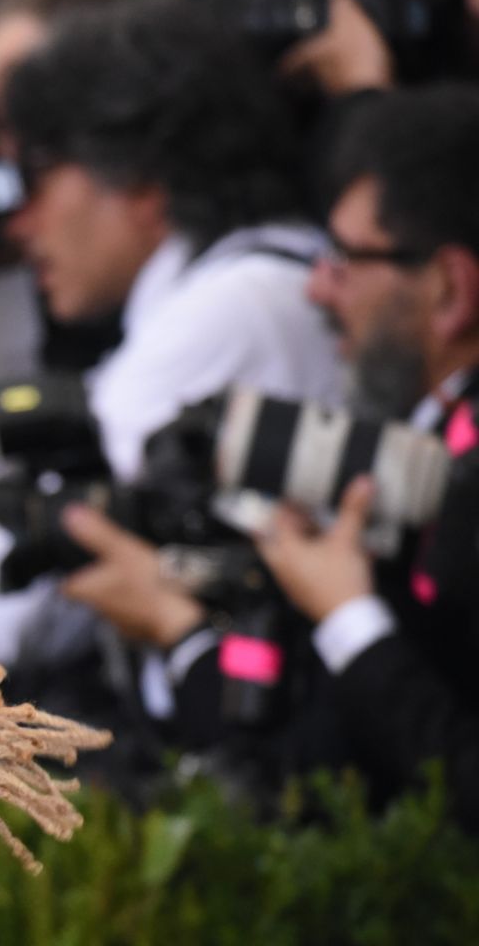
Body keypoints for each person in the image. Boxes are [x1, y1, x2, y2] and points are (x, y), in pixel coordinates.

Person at [0, 0, 344, 718]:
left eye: (37, 173)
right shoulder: (258, 282)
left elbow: (17, 609)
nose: (20, 218)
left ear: (141, 183)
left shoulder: (231, 315)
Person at [68, 86, 479, 827]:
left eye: (348, 260)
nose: (318, 289)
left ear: (451, 288)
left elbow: (441, 788)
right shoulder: (426, 449)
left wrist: (347, 615)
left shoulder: (461, 485)